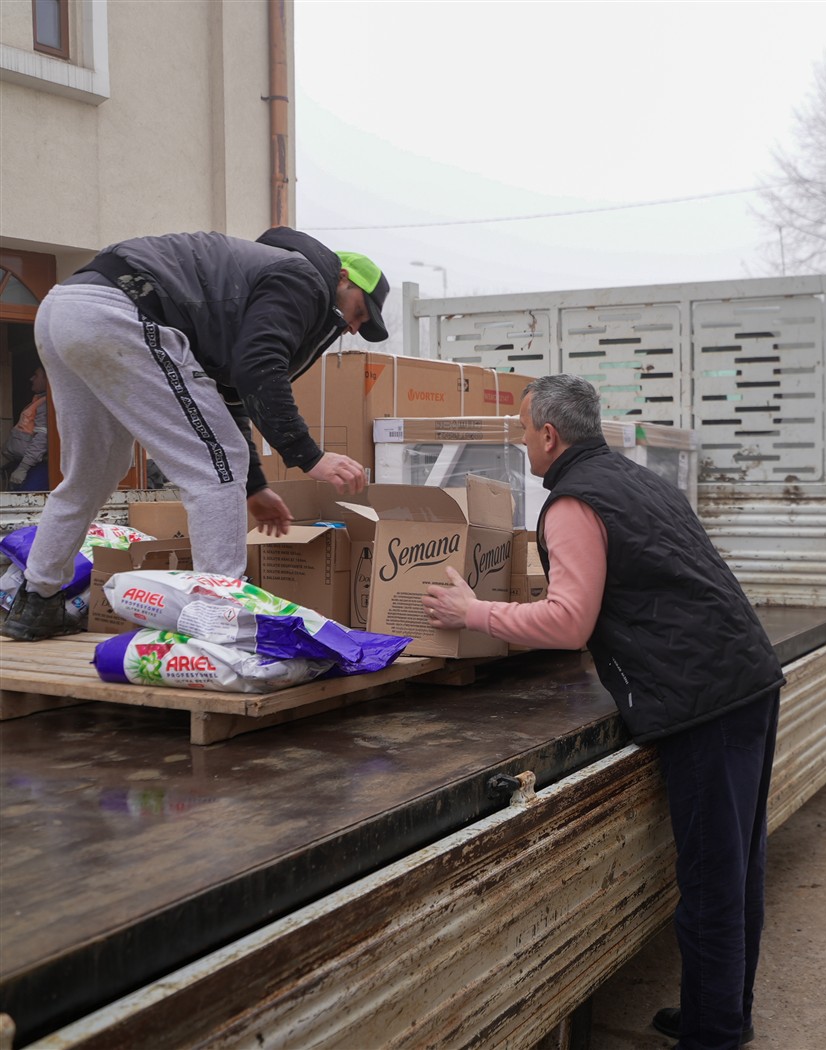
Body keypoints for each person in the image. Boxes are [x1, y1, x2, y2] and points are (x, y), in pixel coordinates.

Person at [422, 373, 784, 1049]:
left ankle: (713, 1037)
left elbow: (568, 622)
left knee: (712, 881)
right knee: (738, 868)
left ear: (549, 434)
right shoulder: (639, 481)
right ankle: (723, 1016)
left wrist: (474, 613)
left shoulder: (572, 503)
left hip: (704, 701)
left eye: (523, 430)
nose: (521, 441)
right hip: (747, 677)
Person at [0, 228, 388, 642]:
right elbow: (260, 367)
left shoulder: (248, 282)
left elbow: (229, 397)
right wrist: (310, 456)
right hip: (123, 310)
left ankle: (37, 599)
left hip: (63, 309)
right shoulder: (305, 279)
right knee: (211, 471)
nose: (353, 327)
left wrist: (254, 487)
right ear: (343, 278)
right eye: (359, 313)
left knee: (92, 474)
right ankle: (220, 618)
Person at [3, 366, 49, 491]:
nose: (31, 379)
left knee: (29, 498)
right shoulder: (38, 400)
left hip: (36, 467)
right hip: (27, 465)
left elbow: (42, 439)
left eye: (36, 375)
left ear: (47, 379)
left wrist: (23, 467)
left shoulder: (47, 404)